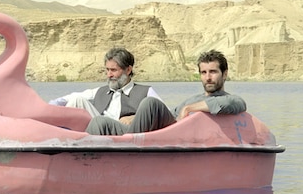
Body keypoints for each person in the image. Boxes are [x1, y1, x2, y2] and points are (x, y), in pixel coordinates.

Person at [86, 49, 246, 136]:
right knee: (99, 122)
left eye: (213, 72)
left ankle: (129, 149)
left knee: (150, 102)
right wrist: (135, 116)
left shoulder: (230, 100)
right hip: (158, 133)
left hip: (174, 137)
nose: (208, 77)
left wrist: (189, 109)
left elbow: (237, 103)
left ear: (224, 74)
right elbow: (171, 114)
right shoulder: (192, 99)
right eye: (204, 73)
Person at [49, 47, 170, 123]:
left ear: (128, 70)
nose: (109, 75)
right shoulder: (100, 91)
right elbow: (71, 98)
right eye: (107, 70)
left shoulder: (145, 91)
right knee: (76, 100)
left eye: (113, 70)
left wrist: (134, 118)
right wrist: (51, 106)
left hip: (124, 133)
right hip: (99, 131)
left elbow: (165, 114)